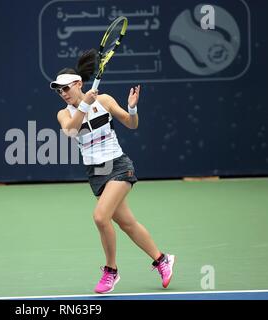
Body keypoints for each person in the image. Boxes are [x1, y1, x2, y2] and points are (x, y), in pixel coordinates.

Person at [51, 49, 175, 294]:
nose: (62, 94)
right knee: (128, 224)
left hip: (118, 165)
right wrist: (83, 105)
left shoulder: (104, 100)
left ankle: (111, 271)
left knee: (100, 217)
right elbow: (70, 132)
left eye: (66, 88)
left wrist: (132, 109)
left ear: (78, 84)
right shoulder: (64, 114)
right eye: (59, 90)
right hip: (96, 173)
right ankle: (162, 260)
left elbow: (131, 125)